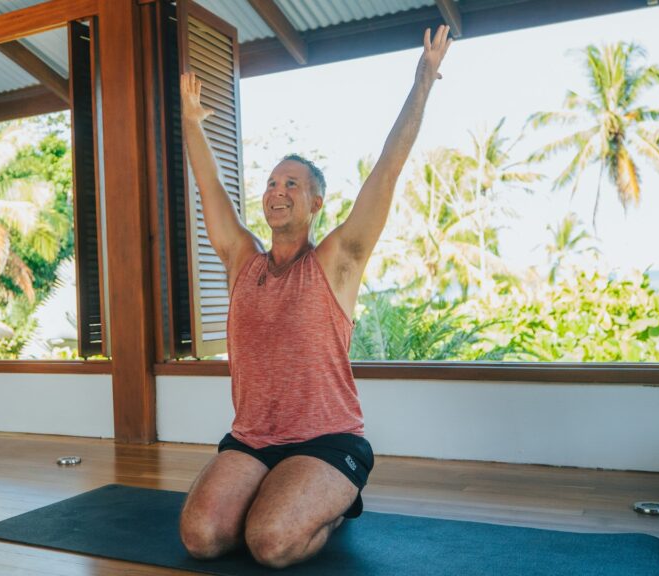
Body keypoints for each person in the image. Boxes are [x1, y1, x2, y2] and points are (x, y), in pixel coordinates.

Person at [178, 24, 453, 570]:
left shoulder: (337, 260)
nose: (277, 192)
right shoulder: (243, 262)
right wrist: (191, 124)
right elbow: (209, 188)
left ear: (316, 203)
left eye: (292, 185)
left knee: (272, 543)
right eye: (272, 183)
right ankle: (275, 488)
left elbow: (388, 169)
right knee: (201, 538)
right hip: (252, 438)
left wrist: (422, 82)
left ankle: (337, 501)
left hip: (327, 439)